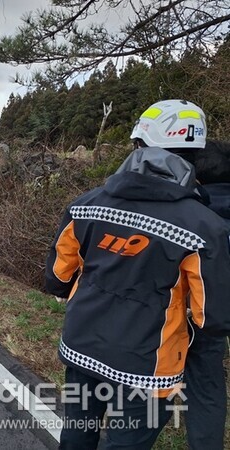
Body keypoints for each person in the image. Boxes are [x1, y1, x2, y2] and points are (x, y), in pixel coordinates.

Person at [45, 99, 230, 449]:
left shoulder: (85, 204)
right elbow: (214, 317)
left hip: (81, 348)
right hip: (148, 367)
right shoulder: (203, 227)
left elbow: (57, 276)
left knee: (76, 436)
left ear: (139, 145)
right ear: (195, 152)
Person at [181, 138, 230, 450]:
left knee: (203, 384)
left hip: (198, 311)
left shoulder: (190, 213)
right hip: (216, 310)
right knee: (207, 384)